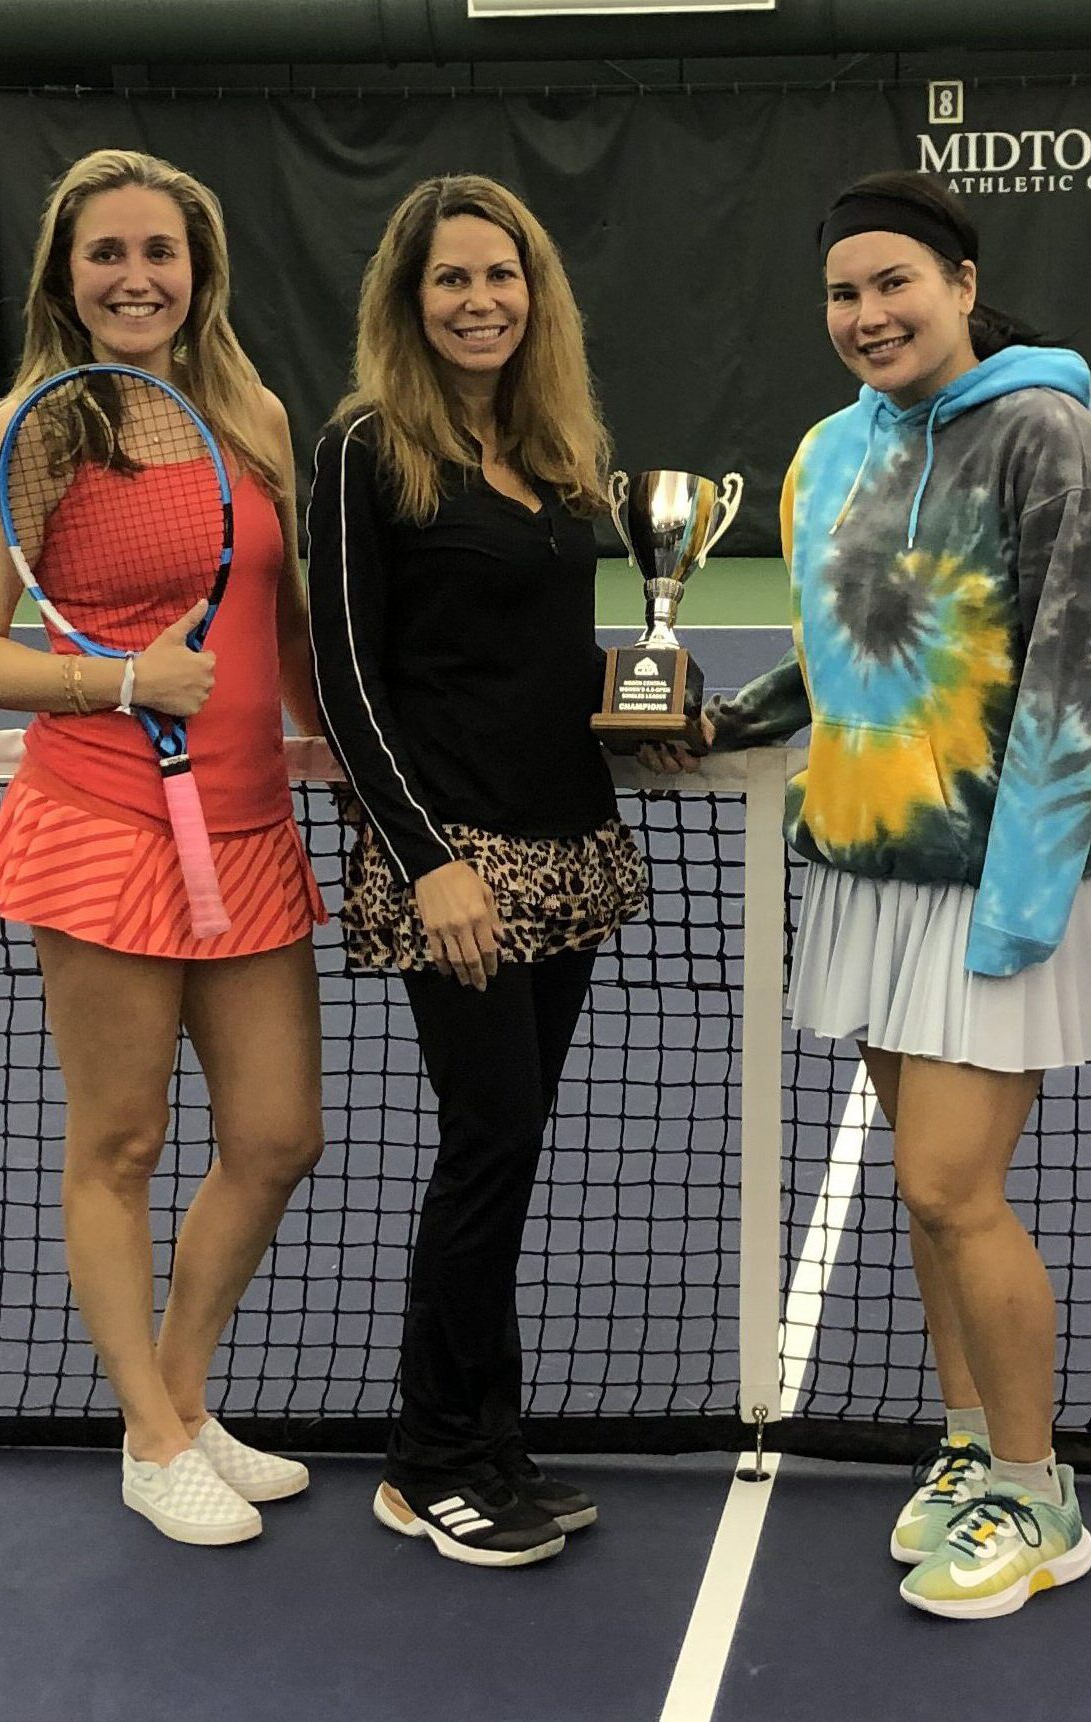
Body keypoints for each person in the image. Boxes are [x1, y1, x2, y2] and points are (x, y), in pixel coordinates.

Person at [651, 170, 1091, 1619]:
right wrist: (729, 719)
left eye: (895, 284)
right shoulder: (826, 455)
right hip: (860, 869)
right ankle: (966, 1444)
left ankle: (1039, 1490)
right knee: (928, 1205)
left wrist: (1023, 898)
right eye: (844, 293)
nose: (870, 314)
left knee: (952, 1185)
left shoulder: (1049, 435)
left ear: (962, 281)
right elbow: (836, 646)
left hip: (997, 876)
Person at [0, 149, 327, 1546]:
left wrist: (331, 734)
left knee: (279, 1133)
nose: (136, 276)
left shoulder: (253, 412)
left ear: (200, 271)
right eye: (107, 253)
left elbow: (275, 619)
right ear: (67, 276)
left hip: (247, 826)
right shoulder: (31, 432)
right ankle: (151, 1438)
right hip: (100, 820)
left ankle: (181, 1399)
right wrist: (116, 684)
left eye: (161, 250)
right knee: (121, 1138)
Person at [307, 173, 647, 1569]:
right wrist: (427, 858)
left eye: (500, 277)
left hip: (566, 846)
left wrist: (647, 707)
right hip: (449, 865)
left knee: (506, 1145)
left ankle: (488, 1438)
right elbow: (345, 678)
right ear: (409, 298)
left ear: (535, 293)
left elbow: (541, 659)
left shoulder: (556, 452)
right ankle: (425, 1455)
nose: (479, 300)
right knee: (488, 1138)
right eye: (451, 279)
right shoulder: (365, 451)